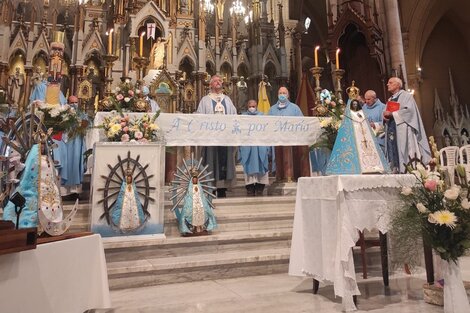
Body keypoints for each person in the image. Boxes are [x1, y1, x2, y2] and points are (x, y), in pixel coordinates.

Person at [196, 75, 237, 198]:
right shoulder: (205, 100)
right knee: (210, 161)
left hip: (225, 138)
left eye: (220, 81)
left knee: (225, 162)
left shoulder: (227, 100)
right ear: (210, 84)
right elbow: (199, 116)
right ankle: (210, 187)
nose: (219, 82)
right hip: (211, 138)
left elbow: (234, 115)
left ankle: (222, 188)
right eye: (216, 81)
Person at [383, 77, 431, 172]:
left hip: (404, 130)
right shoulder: (390, 99)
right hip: (392, 129)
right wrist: (384, 117)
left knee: (405, 151)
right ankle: (396, 169)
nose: (387, 84)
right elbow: (387, 112)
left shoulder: (406, 96)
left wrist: (392, 114)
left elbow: (410, 111)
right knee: (393, 151)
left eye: (390, 82)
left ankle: (408, 170)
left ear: (397, 85)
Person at [268, 86, 304, 182]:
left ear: (288, 95)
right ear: (277, 95)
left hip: (292, 141)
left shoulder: (295, 108)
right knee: (278, 158)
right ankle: (278, 176)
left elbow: (302, 123)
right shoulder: (272, 109)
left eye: (284, 93)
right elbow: (268, 124)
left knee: (291, 160)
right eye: (280, 93)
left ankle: (292, 177)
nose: (282, 95)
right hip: (277, 141)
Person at [55, 96, 87, 198]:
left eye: (76, 102)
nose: (74, 105)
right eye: (72, 103)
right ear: (68, 103)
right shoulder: (63, 113)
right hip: (66, 143)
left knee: (76, 164)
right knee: (66, 164)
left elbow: (86, 124)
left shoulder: (81, 114)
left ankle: (75, 191)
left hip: (77, 142)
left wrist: (81, 124)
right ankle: (64, 192)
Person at [239, 100, 270, 196]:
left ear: (256, 106)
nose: (252, 108)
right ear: (247, 106)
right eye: (250, 106)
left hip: (259, 145)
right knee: (249, 166)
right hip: (248, 146)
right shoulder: (243, 117)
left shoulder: (262, 116)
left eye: (253, 106)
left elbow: (266, 130)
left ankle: (260, 188)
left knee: (261, 165)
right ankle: (250, 188)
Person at [177, 171, 217, 235]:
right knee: (188, 213)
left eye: (196, 179)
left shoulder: (199, 187)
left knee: (205, 211)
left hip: (200, 203)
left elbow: (202, 195)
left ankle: (201, 228)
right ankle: (192, 229)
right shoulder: (190, 188)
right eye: (194, 180)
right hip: (191, 203)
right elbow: (188, 195)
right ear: (192, 180)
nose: (195, 181)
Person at [112, 168, 149, 233]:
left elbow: (135, 196)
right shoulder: (124, 186)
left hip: (133, 202)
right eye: (128, 179)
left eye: (130, 179)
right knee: (124, 213)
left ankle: (134, 224)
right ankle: (124, 225)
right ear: (126, 179)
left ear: (131, 179)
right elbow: (121, 195)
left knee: (134, 212)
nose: (129, 180)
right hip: (125, 203)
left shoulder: (133, 187)